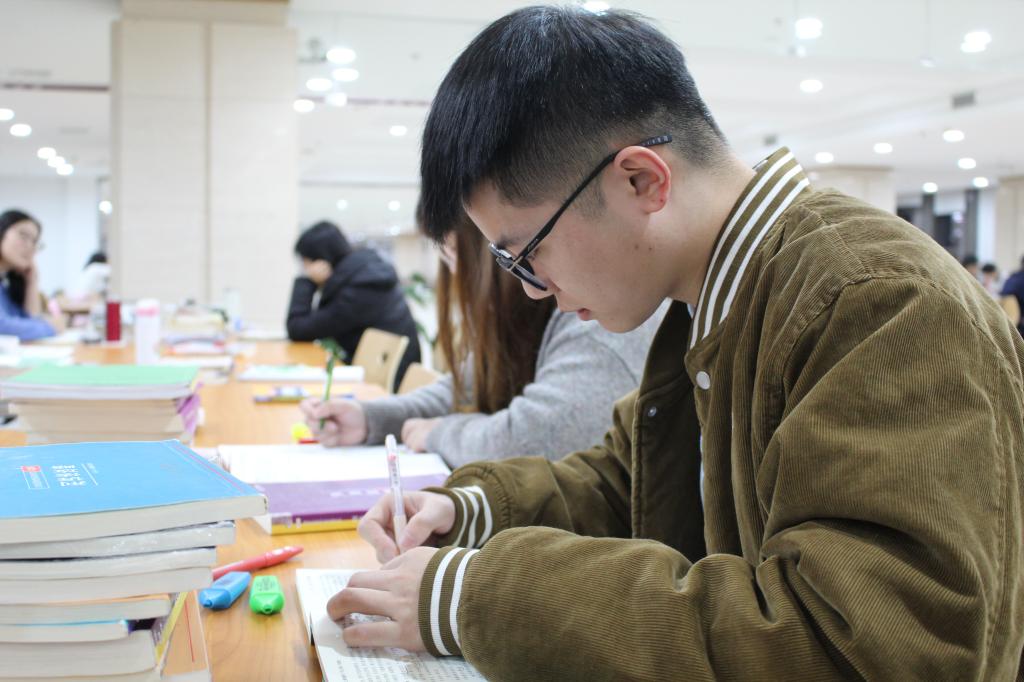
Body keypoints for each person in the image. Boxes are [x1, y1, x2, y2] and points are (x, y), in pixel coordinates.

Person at [326, 8, 1024, 680]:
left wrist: (481, 597)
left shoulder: (875, 301)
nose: (534, 290)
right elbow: (626, 480)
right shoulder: (714, 298)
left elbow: (856, 647)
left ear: (641, 180)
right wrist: (469, 511)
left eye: (527, 254)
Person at [300, 211, 663, 467]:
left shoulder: (595, 313)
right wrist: (371, 419)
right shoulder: (520, 314)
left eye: (452, 252)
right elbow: (462, 389)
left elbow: (536, 439)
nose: (452, 269)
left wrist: (440, 434)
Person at [286, 221, 420, 390]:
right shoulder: (360, 275)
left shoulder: (360, 289)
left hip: (389, 386)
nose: (306, 270)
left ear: (321, 262)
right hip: (375, 377)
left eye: (306, 264)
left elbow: (298, 329)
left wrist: (306, 281)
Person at [0, 210, 61, 341]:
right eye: (23, 236)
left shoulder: (4, 286)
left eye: (34, 242)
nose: (30, 246)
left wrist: (32, 282)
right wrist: (51, 327)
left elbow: (28, 319)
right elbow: (3, 326)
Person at [1000, 255, 1024, 336]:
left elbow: (1003, 294)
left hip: (1008, 323)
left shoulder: (1012, 277)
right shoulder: (1018, 279)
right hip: (1019, 324)